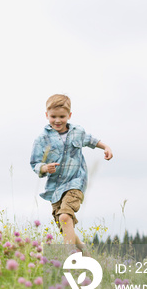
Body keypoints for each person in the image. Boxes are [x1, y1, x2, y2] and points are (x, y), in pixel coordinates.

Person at [30, 94, 113, 253]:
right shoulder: (42, 139)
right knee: (65, 225)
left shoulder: (77, 132)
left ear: (69, 115)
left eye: (62, 116)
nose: (58, 120)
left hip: (76, 182)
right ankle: (83, 251)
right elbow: (35, 163)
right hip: (55, 189)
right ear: (47, 115)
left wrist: (106, 147)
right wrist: (45, 168)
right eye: (53, 116)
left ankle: (70, 257)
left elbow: (91, 140)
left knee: (65, 217)